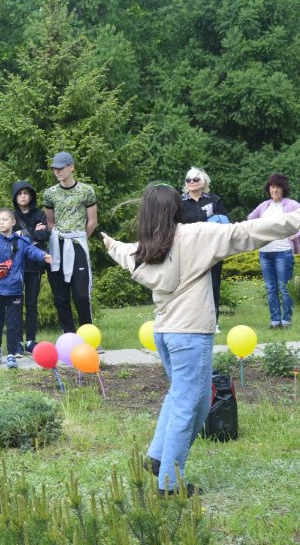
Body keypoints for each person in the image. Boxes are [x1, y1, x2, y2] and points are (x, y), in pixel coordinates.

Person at [102, 183, 300, 495]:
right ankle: (169, 484)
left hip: (166, 333)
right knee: (188, 403)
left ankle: (157, 457)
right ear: (175, 209)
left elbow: (122, 252)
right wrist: (294, 220)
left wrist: (109, 243)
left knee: (183, 396)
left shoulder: (144, 248)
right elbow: (246, 232)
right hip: (191, 334)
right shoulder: (195, 235)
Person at [0, 208, 51, 368]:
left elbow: (32, 251)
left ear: (13, 222)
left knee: (14, 323)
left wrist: (43, 256)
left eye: (5, 219)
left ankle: (12, 354)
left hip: (15, 290)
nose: (2, 223)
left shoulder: (22, 241)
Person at [43, 152, 98, 335]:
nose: (57, 171)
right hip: (57, 245)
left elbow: (92, 221)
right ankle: (69, 335)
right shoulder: (50, 193)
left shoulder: (86, 191)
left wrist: (80, 239)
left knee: (82, 295)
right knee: (60, 295)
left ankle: (88, 335)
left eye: (61, 167)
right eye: (54, 168)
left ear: (71, 167)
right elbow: (49, 222)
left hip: (77, 244)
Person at [247, 173, 300, 328]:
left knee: (284, 288)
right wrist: (256, 233)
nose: (274, 190)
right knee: (270, 288)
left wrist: (294, 235)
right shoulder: (264, 206)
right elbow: (250, 219)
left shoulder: (291, 205)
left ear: (283, 189)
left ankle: (287, 320)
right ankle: (275, 321)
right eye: (272, 187)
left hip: (283, 252)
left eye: (277, 187)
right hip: (265, 252)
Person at [181, 167, 230, 329]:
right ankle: (192, 322)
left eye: (196, 179)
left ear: (203, 182)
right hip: (189, 251)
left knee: (213, 285)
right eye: (189, 180)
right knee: (191, 287)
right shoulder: (179, 203)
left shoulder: (214, 201)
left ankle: (213, 322)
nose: (192, 182)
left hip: (212, 250)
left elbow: (226, 223)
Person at [13, 181, 51, 354]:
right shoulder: (12, 216)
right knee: (17, 304)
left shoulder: (39, 214)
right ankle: (17, 342)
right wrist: (33, 234)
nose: (23, 196)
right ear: (15, 196)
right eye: (19, 193)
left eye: (26, 193)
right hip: (17, 267)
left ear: (31, 196)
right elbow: (11, 239)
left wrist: (25, 234)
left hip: (34, 266)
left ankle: (30, 341)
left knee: (31, 304)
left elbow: (44, 235)